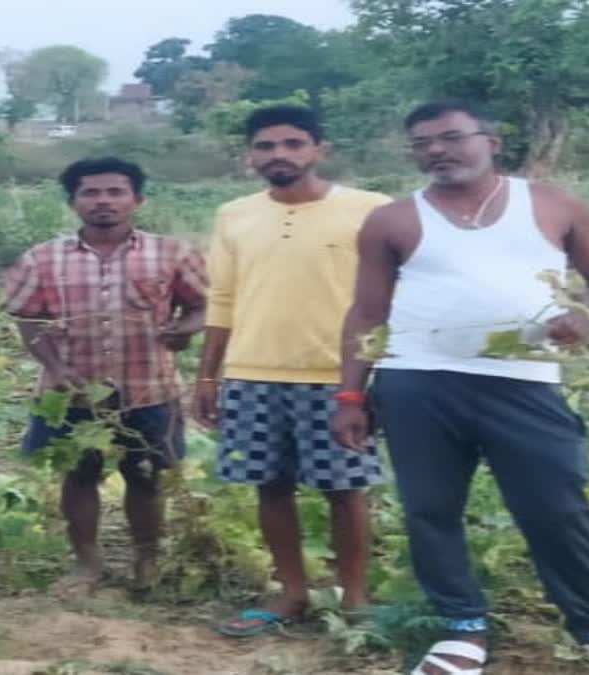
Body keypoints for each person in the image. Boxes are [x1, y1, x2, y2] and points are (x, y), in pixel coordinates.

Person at [334, 100, 589, 675]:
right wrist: (351, 396)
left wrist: (587, 314)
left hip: (523, 381)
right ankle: (461, 630)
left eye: (451, 137)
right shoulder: (394, 220)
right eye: (423, 143)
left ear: (493, 140)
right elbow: (366, 313)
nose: (437, 151)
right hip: (417, 383)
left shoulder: (554, 205)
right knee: (432, 509)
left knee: (558, 508)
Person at [194, 105, 392, 636]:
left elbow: (388, 298)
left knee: (345, 488)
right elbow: (223, 299)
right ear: (250, 156)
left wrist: (372, 375)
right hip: (252, 373)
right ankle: (293, 593)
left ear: (318, 150)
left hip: (337, 377)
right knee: (269, 485)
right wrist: (207, 377)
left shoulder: (371, 210)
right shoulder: (234, 214)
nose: (278, 155)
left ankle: (354, 596)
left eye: (292, 144)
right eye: (265, 146)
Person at [2, 157, 208, 596]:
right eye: (91, 193)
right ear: (73, 201)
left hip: (149, 390)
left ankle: (147, 560)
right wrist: (55, 367)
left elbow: (203, 305)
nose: (103, 201)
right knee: (78, 476)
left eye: (115, 192)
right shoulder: (42, 259)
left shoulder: (173, 253)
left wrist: (187, 328)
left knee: (148, 475)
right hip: (72, 394)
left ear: (137, 199)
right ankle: (86, 565)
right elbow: (27, 318)